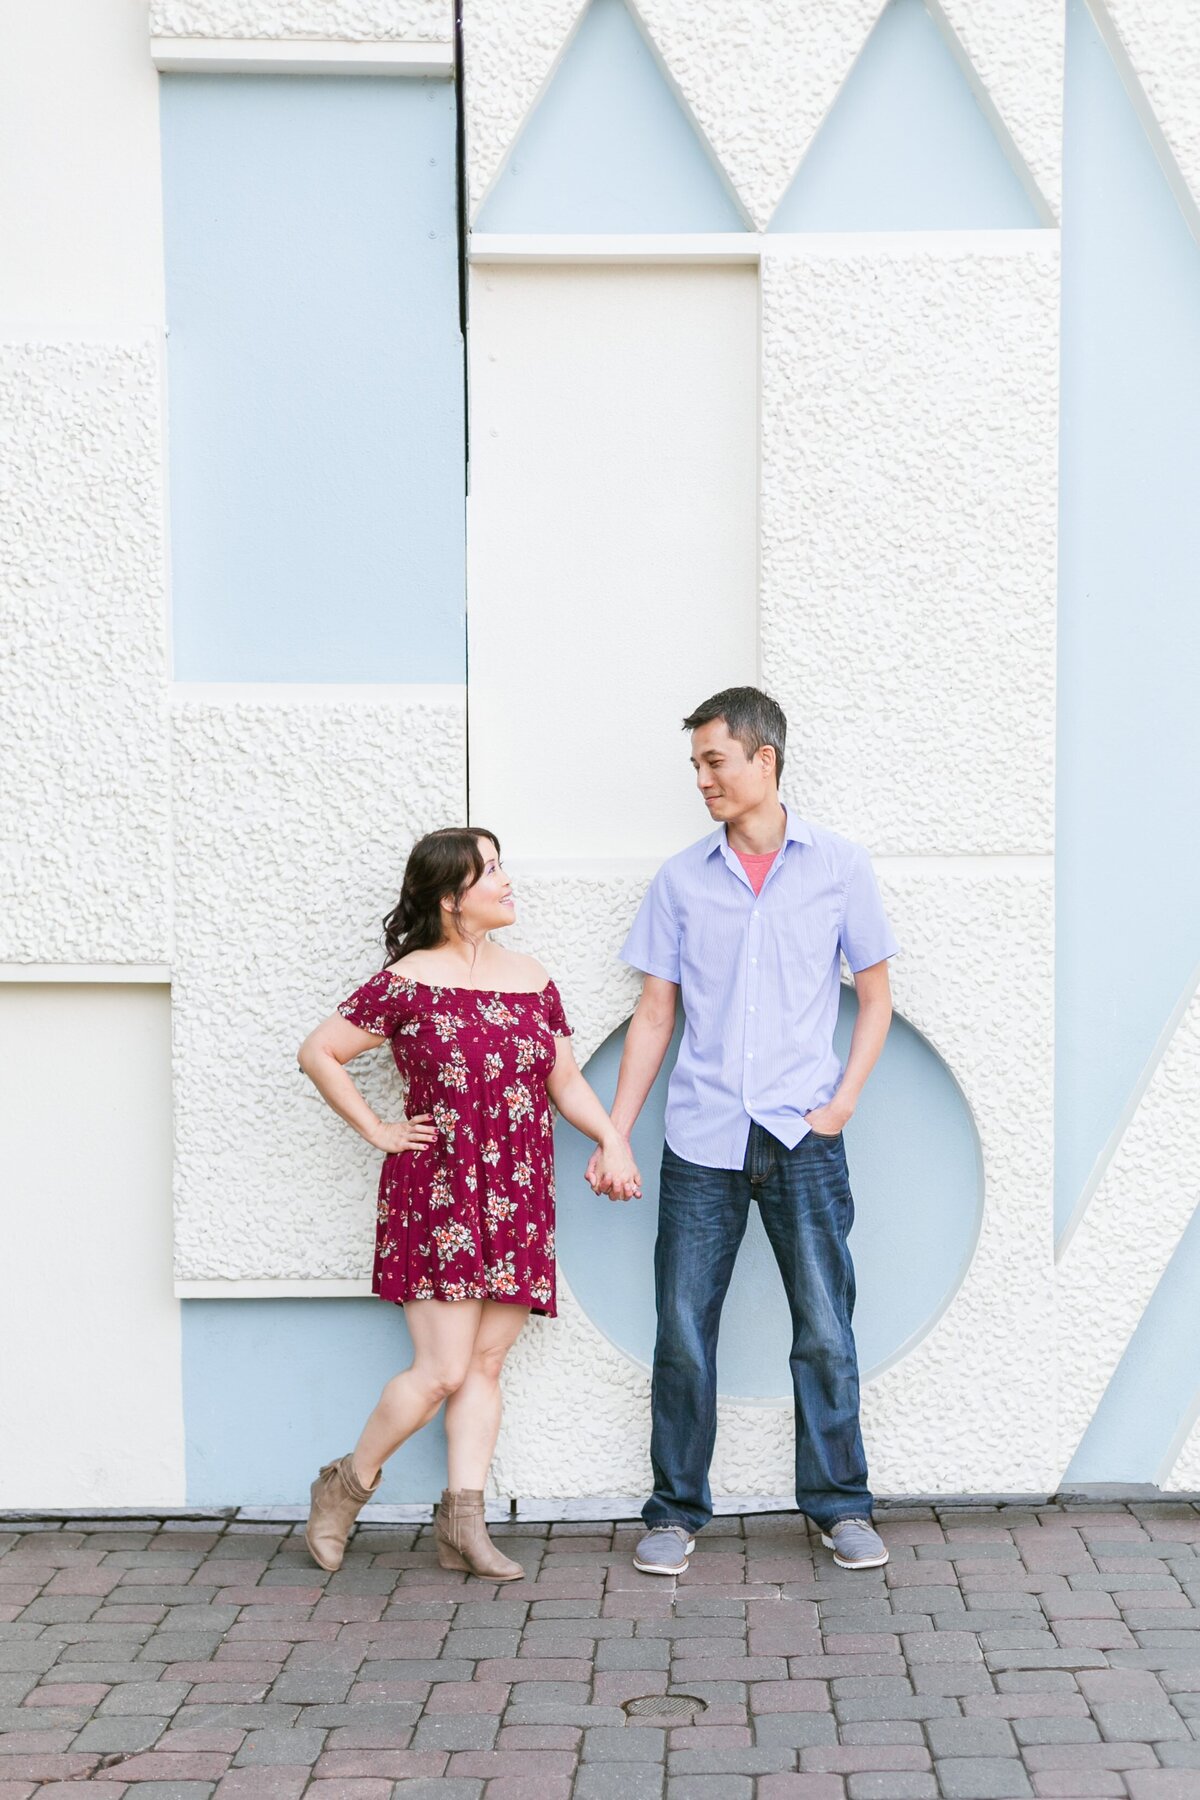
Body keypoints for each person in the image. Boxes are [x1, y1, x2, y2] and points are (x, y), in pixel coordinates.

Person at [588, 687, 898, 1574]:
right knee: (683, 1332)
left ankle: (840, 1506)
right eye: (695, 764)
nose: (702, 780)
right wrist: (616, 1131)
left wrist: (839, 1104)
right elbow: (655, 1016)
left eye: (713, 761)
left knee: (825, 1329)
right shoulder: (682, 879)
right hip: (702, 1140)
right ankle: (675, 1512)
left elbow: (874, 1000)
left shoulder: (839, 867)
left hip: (805, 1138)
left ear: (764, 760)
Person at [298, 826, 640, 1580]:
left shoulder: (532, 976)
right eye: (491, 871)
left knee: (487, 1363)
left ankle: (463, 1526)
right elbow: (318, 1051)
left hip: (517, 1190)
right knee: (442, 1371)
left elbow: (565, 1082)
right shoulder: (407, 981)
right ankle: (343, 1488)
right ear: (451, 897)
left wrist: (612, 1138)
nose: (507, 880)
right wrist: (378, 1129)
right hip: (441, 1193)